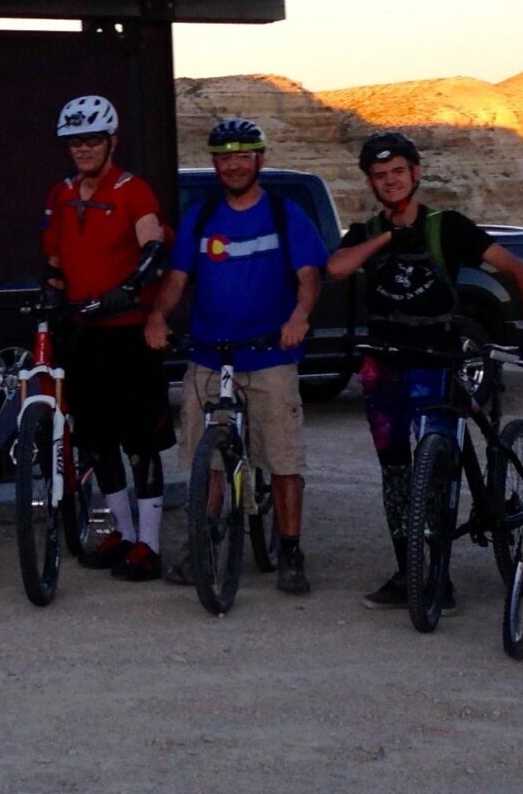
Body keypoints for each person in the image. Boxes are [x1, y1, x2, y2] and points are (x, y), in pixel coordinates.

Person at [326, 131, 523, 611]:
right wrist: (389, 236)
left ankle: (439, 579)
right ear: (371, 183)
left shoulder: (447, 226)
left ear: (416, 173)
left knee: (437, 467)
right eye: (380, 176)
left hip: (436, 363)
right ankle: (409, 571)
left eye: (398, 173)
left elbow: (517, 269)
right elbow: (338, 269)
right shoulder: (366, 232)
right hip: (382, 366)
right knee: (395, 473)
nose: (390, 182)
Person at [143, 118, 325, 594]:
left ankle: (289, 550)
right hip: (210, 354)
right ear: (215, 163)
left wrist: (299, 316)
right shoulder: (202, 221)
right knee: (209, 462)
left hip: (269, 355)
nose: (234, 164)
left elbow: (309, 276)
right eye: (225, 156)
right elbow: (177, 279)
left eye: (244, 155)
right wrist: (158, 317)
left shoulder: (286, 215)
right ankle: (203, 545)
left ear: (259, 160)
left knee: (284, 458)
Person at [40, 94, 172, 582]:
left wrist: (131, 288)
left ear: (111, 141)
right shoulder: (61, 194)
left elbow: (153, 246)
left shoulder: (133, 190)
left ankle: (151, 545)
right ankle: (122, 531)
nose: (83, 148)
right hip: (84, 334)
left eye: (92, 139)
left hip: (129, 333)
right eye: (74, 141)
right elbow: (54, 261)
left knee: (141, 442)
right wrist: (50, 295)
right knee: (97, 443)